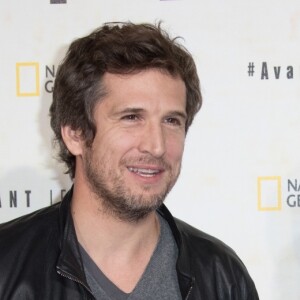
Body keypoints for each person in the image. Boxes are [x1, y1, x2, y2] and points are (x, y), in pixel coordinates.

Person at [0, 22, 259, 299]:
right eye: (132, 117)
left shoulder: (222, 276)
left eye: (171, 121)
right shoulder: (7, 267)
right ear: (75, 134)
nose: (157, 146)